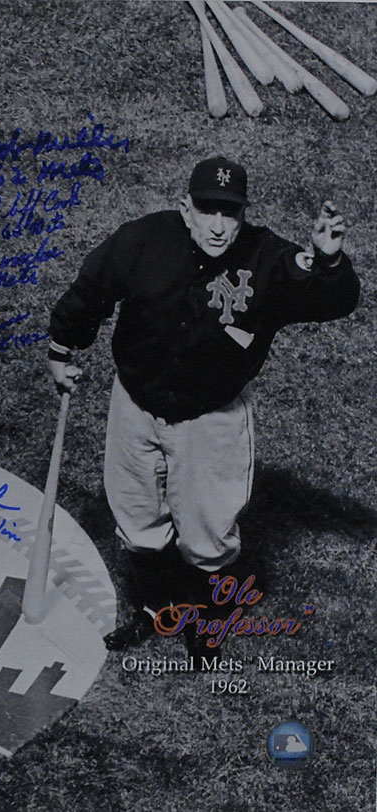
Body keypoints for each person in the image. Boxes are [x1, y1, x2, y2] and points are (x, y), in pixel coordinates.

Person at [46, 156, 360, 657]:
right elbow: (92, 289)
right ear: (185, 207)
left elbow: (333, 301)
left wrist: (328, 261)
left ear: (243, 215)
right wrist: (62, 349)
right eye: (207, 210)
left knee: (208, 536)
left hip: (211, 416)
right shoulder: (143, 240)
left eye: (228, 213)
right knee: (136, 519)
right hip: (135, 402)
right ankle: (154, 609)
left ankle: (207, 621)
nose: (217, 226)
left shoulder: (267, 259)